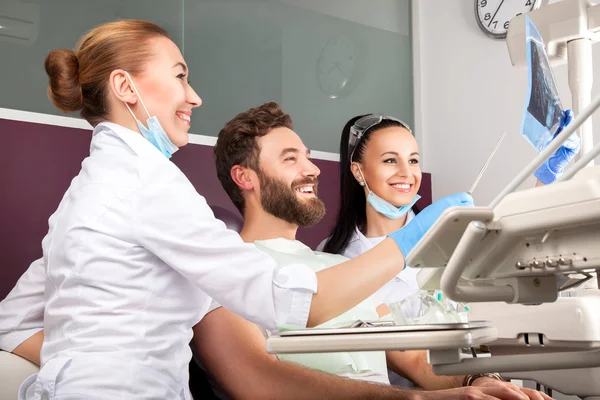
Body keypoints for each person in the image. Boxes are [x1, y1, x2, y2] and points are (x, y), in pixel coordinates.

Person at [0, 20, 470, 400]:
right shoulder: (146, 183)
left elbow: (11, 321)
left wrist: (82, 361)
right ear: (125, 86)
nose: (194, 96)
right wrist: (411, 238)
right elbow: (288, 302)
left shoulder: (89, 191)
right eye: (180, 75)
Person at [191, 102, 550, 400]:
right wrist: (420, 399)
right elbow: (259, 383)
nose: (312, 169)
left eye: (308, 157)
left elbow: (409, 357)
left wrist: (479, 383)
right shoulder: (223, 269)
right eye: (290, 159)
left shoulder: (339, 267)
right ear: (245, 177)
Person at [318, 112, 579, 387]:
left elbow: (520, 262)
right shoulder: (334, 257)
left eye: (413, 160)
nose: (407, 173)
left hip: (489, 380)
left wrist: (546, 178)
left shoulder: (452, 231)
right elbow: (408, 359)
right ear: (358, 170)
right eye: (390, 160)